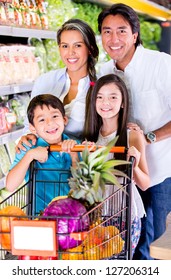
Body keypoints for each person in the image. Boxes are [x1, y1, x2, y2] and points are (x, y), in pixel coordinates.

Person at [97, 3, 171, 259]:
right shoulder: (104, 72)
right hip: (122, 174)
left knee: (161, 242)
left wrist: (149, 138)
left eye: (121, 31)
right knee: (131, 242)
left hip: (161, 171)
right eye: (107, 32)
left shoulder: (161, 64)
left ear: (135, 35)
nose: (114, 39)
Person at [84, 73, 150, 256]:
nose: (106, 103)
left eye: (113, 97)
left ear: (122, 102)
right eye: (100, 97)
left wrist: (134, 165)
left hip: (124, 214)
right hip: (96, 214)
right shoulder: (90, 137)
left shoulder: (132, 135)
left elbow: (145, 183)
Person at [16, 18, 99, 152]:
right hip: (44, 162)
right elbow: (29, 124)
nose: (70, 52)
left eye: (78, 45)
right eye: (65, 46)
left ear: (90, 49)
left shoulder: (99, 88)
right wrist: (28, 136)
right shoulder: (44, 81)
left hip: (78, 164)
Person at [6, 94, 79, 214]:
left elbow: (82, 188)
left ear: (64, 120)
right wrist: (30, 155)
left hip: (71, 217)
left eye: (55, 116)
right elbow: (10, 186)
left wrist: (74, 156)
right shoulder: (28, 147)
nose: (50, 123)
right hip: (39, 219)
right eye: (41, 120)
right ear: (33, 128)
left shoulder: (75, 146)